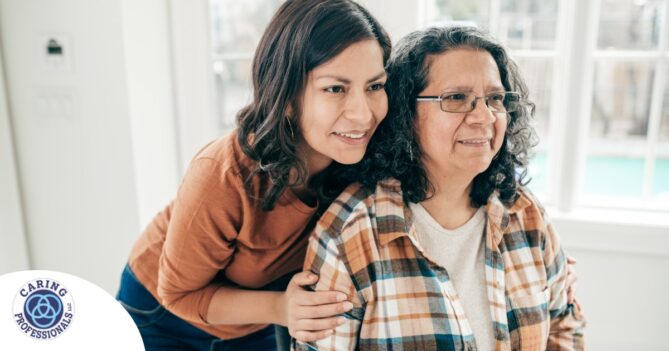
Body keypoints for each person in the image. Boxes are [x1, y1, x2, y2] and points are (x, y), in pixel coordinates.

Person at [115, 0, 391, 350]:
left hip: (255, 314)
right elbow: (179, 293)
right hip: (162, 311)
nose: (362, 113)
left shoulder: (362, 162)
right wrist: (280, 307)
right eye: (335, 88)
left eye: (375, 86)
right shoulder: (222, 175)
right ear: (287, 96)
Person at [296, 26, 586, 351]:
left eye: (494, 98)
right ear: (406, 113)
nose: (484, 116)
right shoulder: (349, 234)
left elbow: (564, 329)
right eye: (456, 98)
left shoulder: (526, 214)